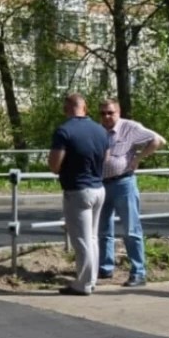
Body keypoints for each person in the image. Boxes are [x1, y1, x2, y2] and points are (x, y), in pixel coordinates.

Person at [97, 99, 166, 287]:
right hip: (101, 184)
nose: (106, 117)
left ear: (118, 112)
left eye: (110, 112)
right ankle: (105, 267)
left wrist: (138, 157)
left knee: (131, 229)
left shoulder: (130, 127)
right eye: (102, 113)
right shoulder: (98, 130)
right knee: (103, 229)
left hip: (123, 183)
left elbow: (158, 140)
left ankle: (138, 272)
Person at [48, 93, 110, 296]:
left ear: (67, 108)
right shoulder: (101, 130)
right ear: (86, 107)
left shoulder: (64, 131)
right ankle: (90, 281)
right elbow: (106, 158)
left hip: (77, 190)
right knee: (92, 238)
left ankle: (83, 284)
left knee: (81, 240)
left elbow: (55, 166)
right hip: (99, 188)